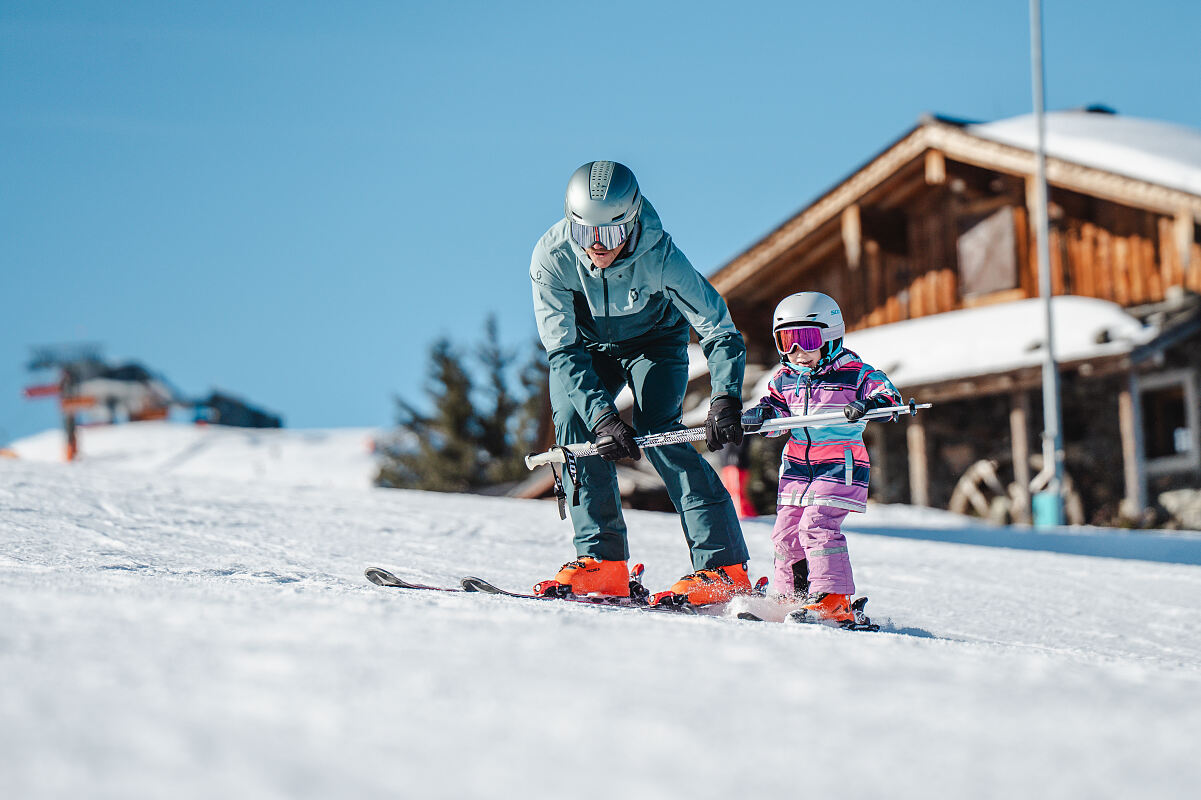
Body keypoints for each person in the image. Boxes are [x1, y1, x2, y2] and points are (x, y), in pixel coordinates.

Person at [529, 160, 751, 605]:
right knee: (575, 426)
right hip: (587, 348)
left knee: (658, 431)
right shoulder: (551, 258)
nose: (597, 246)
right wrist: (603, 418)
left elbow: (718, 328)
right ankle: (602, 561)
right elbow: (564, 352)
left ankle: (723, 567)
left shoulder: (660, 255)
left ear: (631, 222)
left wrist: (725, 397)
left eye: (610, 233)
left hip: (655, 343)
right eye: (584, 232)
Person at [740, 291, 901, 623]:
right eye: (787, 342)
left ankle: (832, 598)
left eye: (807, 340)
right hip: (796, 469)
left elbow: (889, 397)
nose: (797, 352)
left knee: (817, 525)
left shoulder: (855, 373)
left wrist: (869, 405)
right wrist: (761, 416)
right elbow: (776, 415)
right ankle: (791, 598)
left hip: (840, 465)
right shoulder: (784, 380)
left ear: (831, 336)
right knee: (785, 533)